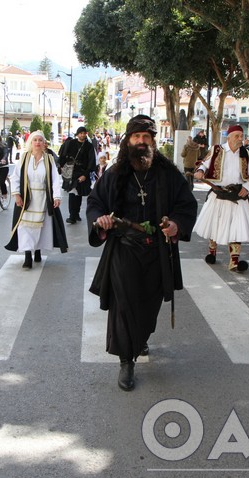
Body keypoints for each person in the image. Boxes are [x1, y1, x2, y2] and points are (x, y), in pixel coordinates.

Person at [87, 115, 198, 391]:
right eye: (136, 137)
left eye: (146, 138)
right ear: (127, 141)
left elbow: (186, 205)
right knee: (123, 305)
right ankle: (126, 360)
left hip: (157, 251)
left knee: (149, 304)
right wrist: (100, 220)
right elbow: (95, 202)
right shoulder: (114, 173)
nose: (141, 142)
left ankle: (141, 335)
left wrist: (176, 225)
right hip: (123, 249)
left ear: (153, 141)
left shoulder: (168, 173)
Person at [193, 125, 249, 272]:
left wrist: (246, 187)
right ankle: (212, 253)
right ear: (228, 137)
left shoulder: (245, 154)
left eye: (241, 136)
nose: (240, 139)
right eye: (237, 136)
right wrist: (200, 172)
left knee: (237, 229)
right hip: (219, 194)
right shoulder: (216, 150)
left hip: (237, 196)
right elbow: (204, 164)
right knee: (214, 225)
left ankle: (234, 261)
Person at [5, 130, 68, 268]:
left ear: (44, 143)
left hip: (43, 198)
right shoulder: (24, 158)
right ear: (31, 142)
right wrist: (16, 195)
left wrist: (56, 196)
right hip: (27, 198)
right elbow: (15, 177)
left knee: (41, 227)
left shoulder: (49, 159)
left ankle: (38, 250)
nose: (38, 142)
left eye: (40, 140)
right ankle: (28, 256)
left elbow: (55, 180)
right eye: (35, 140)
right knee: (25, 227)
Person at [58, 126, 96, 224]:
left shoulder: (89, 146)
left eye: (84, 133)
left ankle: (76, 214)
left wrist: (85, 175)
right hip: (72, 172)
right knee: (72, 193)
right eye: (80, 133)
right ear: (77, 134)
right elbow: (63, 154)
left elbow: (91, 161)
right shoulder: (71, 143)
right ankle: (72, 216)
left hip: (82, 172)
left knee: (78, 194)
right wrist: (61, 166)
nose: (82, 135)